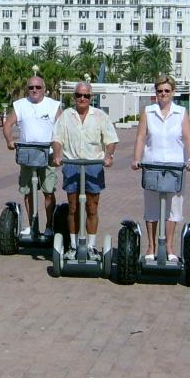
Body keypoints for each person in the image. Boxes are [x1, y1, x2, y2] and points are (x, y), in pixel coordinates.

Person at [131, 74, 190, 262]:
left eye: (167, 90)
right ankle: (151, 246)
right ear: (155, 93)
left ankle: (169, 247)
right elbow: (141, 138)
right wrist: (136, 159)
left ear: (173, 92)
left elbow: (187, 138)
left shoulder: (181, 112)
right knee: (151, 208)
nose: (163, 94)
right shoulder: (148, 112)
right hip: (152, 165)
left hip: (176, 167)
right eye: (160, 91)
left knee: (174, 208)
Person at [52, 81, 118, 260]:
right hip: (72, 164)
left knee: (92, 207)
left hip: (93, 166)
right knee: (72, 207)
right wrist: (57, 154)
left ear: (91, 98)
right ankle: (73, 246)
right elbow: (57, 138)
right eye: (79, 95)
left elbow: (110, 140)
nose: (82, 98)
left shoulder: (100, 116)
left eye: (86, 96)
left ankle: (91, 246)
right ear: (74, 97)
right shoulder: (66, 116)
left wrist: (109, 155)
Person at [2, 75, 62, 236]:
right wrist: (9, 140)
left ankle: (49, 226)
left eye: (38, 87)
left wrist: (58, 153)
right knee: (27, 191)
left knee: (48, 191)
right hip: (27, 154)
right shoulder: (20, 105)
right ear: (27, 89)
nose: (34, 90)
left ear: (44, 89)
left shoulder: (53, 105)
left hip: (47, 155)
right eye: (31, 87)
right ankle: (32, 225)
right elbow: (8, 124)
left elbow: (62, 128)